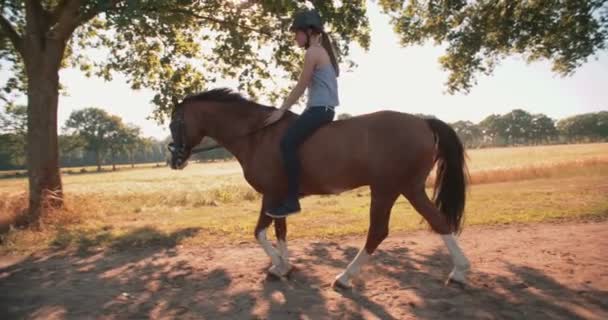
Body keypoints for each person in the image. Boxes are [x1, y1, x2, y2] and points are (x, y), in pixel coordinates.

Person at [264, 9, 341, 218]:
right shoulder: (320, 51)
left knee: (287, 143)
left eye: (296, 32)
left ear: (309, 31)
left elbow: (300, 86)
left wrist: (281, 110)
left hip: (319, 111)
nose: (294, 37)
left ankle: (292, 199)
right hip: (321, 110)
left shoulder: (313, 52)